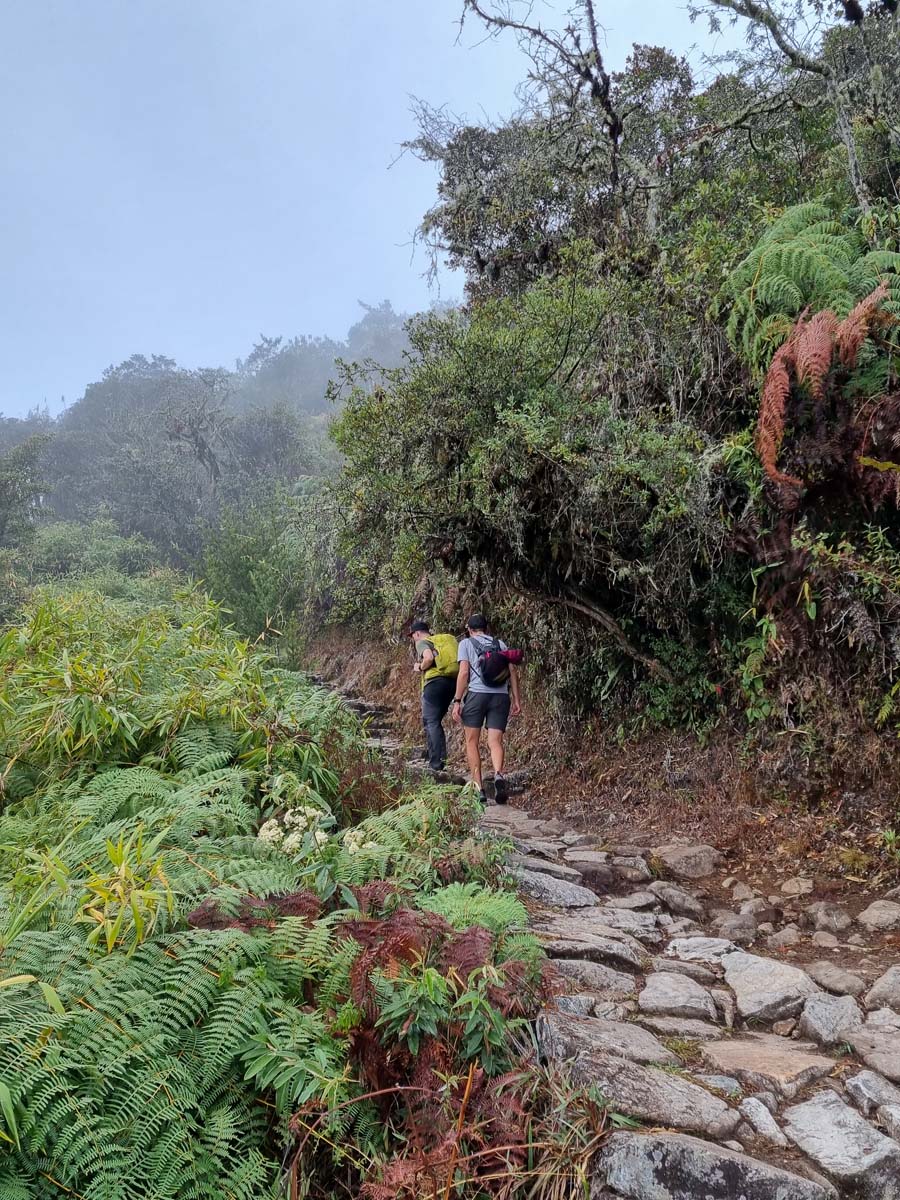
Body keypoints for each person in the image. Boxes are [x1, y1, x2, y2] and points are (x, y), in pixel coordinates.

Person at [451, 613, 521, 804]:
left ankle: (479, 789)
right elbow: (512, 671)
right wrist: (516, 699)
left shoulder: (465, 644)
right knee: (495, 741)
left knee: (472, 742)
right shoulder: (500, 644)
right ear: (486, 628)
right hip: (500, 697)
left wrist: (457, 700)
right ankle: (498, 774)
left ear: (469, 629)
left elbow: (464, 672)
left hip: (476, 696)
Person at [410, 620, 457, 773]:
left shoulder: (422, 642)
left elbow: (428, 658)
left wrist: (420, 667)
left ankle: (436, 764)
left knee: (430, 721)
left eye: (413, 636)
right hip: (452, 682)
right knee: (435, 721)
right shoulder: (442, 640)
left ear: (417, 633)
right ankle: (439, 759)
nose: (413, 640)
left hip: (434, 684)